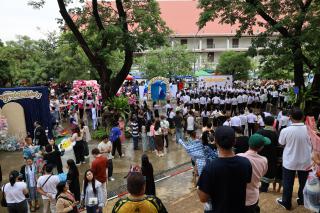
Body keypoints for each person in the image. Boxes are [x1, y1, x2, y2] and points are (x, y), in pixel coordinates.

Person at [197, 126, 252, 213]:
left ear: (216, 142)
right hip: (239, 209)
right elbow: (247, 182)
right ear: (234, 141)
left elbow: (203, 198)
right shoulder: (245, 163)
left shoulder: (210, 168)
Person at [276, 108, 312, 210]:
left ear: (290, 118)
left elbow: (281, 143)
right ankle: (302, 200)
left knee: (288, 183)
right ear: (303, 117)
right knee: (304, 183)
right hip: (306, 161)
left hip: (289, 161)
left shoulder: (285, 130)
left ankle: (286, 202)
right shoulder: (309, 130)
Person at [237, 134, 269, 213]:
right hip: (252, 197)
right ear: (261, 147)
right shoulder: (264, 160)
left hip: (237, 196)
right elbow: (263, 174)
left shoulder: (238, 156)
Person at [256, 116, 278, 192]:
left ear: (264, 122)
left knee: (260, 168)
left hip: (260, 153)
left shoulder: (259, 131)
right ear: (273, 123)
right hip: (271, 155)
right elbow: (278, 145)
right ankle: (265, 186)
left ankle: (260, 185)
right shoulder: (275, 133)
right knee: (268, 169)